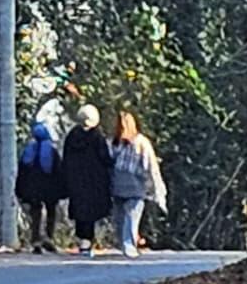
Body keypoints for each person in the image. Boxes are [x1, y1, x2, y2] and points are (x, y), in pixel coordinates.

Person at [110, 108, 168, 254]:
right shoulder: (141, 142)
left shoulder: (115, 143)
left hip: (117, 185)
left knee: (121, 217)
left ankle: (123, 243)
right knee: (131, 216)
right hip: (135, 186)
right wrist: (158, 190)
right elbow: (151, 167)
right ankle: (128, 245)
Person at [59, 103, 114, 255]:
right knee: (92, 211)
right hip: (95, 181)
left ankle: (83, 240)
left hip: (76, 180)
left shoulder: (72, 136)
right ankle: (88, 240)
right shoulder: (97, 136)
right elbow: (105, 158)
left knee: (79, 210)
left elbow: (66, 159)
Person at [13, 111, 63, 252]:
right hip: (50, 189)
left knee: (35, 213)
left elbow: (22, 172)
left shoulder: (28, 151)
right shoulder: (51, 151)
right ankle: (49, 236)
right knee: (51, 211)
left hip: (32, 189)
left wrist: (20, 190)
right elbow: (58, 171)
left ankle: (35, 240)